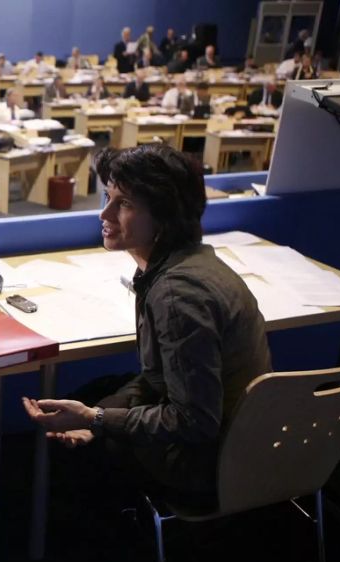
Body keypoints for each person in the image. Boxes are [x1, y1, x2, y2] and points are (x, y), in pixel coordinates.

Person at [23, 143, 271, 505]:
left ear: (164, 218)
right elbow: (163, 380)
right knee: (101, 392)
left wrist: (96, 420)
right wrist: (98, 415)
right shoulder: (191, 262)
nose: (104, 213)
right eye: (107, 196)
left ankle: (103, 546)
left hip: (209, 461)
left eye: (123, 204)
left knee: (78, 446)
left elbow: (194, 422)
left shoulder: (176, 295)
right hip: (242, 434)